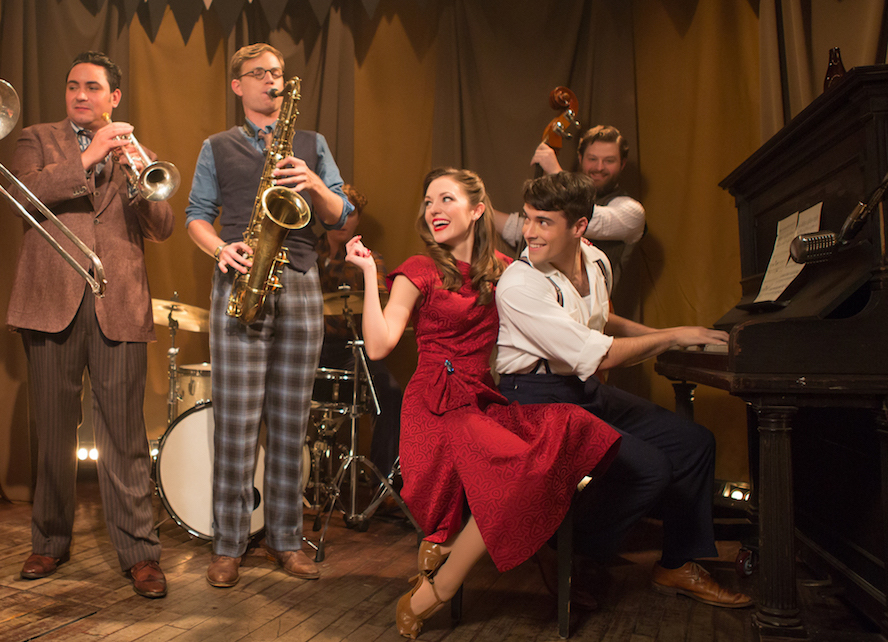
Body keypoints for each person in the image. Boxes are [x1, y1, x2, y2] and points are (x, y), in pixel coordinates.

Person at [344, 168, 620, 638]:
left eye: (447, 199)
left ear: (477, 210)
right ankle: (451, 564)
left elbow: (561, 315)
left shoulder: (508, 270)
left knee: (563, 432)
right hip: (434, 404)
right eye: (429, 201)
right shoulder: (419, 269)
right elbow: (379, 344)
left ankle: (457, 571)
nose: (434, 210)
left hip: (482, 397)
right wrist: (370, 273)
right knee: (504, 472)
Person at [494, 171, 753, 609]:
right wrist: (670, 337)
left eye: (544, 222)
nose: (529, 233)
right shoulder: (519, 283)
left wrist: (667, 332)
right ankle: (564, 548)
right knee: (649, 468)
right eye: (528, 219)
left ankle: (677, 563)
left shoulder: (596, 262)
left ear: (579, 227)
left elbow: (600, 323)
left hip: (581, 386)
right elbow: (601, 354)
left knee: (693, 442)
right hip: (535, 400)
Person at [5, 51, 174, 598]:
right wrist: (90, 156)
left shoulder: (134, 150)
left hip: (118, 304)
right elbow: (22, 194)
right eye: (74, 85)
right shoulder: (35, 138)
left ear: (114, 97)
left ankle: (140, 554)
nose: (81, 95)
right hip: (51, 299)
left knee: (123, 435)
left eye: (93, 87)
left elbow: (164, 226)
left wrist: (137, 176)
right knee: (53, 432)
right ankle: (49, 542)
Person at [185, 43, 353, 588]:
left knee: (289, 422)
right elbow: (196, 217)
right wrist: (219, 250)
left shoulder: (312, 144)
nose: (270, 82)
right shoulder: (216, 146)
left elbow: (339, 217)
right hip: (241, 279)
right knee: (235, 423)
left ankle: (285, 540)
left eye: (277, 74)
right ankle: (228, 544)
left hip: (301, 281)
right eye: (258, 74)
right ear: (237, 86)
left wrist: (313, 182)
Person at [315, 184, 403, 480]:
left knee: (389, 393)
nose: (344, 220)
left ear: (358, 221)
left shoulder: (370, 259)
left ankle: (381, 477)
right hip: (310, 349)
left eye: (351, 213)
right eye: (339, 211)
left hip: (355, 350)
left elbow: (379, 306)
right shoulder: (304, 255)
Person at [494, 125, 645, 283]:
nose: (599, 167)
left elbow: (591, 218)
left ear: (622, 164)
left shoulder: (632, 212)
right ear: (580, 158)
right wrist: (481, 209)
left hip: (596, 305)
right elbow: (524, 228)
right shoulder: (563, 202)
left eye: (609, 161)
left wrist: (557, 173)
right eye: (592, 159)